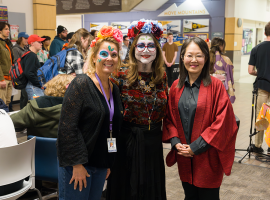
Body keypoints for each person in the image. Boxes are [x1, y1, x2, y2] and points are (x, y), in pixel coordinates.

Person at [162, 37, 238, 200]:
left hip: (207, 156)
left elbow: (223, 122)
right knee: (189, 195)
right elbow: (169, 119)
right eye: (189, 55)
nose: (194, 60)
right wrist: (176, 144)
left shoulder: (216, 86)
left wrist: (196, 147)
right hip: (184, 157)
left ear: (206, 58)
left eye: (199, 55)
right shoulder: (176, 86)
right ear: (182, 58)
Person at [57, 26, 123, 200]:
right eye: (104, 54)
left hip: (101, 163)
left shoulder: (114, 88)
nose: (109, 58)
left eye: (114, 55)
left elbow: (112, 126)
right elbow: (67, 128)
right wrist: (77, 164)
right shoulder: (81, 84)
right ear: (94, 57)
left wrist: (108, 162)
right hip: (78, 165)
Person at [107, 19, 167, 200]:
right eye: (141, 45)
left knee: (151, 188)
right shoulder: (120, 74)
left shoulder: (161, 76)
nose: (146, 49)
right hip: (128, 143)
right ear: (133, 48)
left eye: (151, 46)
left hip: (154, 142)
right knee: (128, 188)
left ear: (157, 50)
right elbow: (109, 114)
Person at [248, 22, 270, 154]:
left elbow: (250, 70)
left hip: (262, 86)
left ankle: (257, 145)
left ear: (265, 32)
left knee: (261, 116)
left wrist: (261, 72)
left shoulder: (256, 48)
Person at [209, 37, 236, 103]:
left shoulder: (206, 58)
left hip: (208, 85)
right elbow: (230, 74)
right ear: (221, 46)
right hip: (221, 86)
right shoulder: (226, 59)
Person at [24, 34, 45, 100]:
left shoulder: (28, 54)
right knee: (39, 108)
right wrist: (39, 84)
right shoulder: (31, 55)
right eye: (39, 42)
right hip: (33, 86)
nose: (41, 44)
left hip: (32, 86)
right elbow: (28, 72)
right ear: (32, 43)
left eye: (41, 42)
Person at [0, 22, 14, 107]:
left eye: (8, 29)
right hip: (3, 78)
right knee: (2, 103)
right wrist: (1, 79)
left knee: (7, 102)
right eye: (6, 29)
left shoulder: (8, 43)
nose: (8, 31)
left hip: (10, 77)